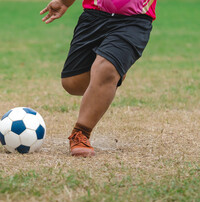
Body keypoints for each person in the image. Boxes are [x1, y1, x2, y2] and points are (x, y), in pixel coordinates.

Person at [40, 0, 157, 157]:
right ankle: (113, 72)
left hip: (134, 20)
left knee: (106, 69)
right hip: (94, 16)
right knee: (72, 83)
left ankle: (81, 133)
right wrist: (64, 2)